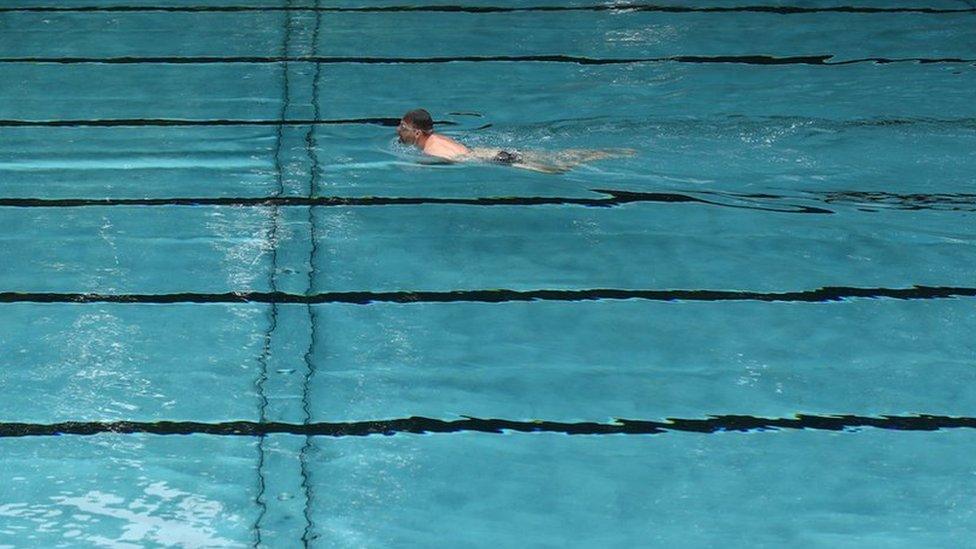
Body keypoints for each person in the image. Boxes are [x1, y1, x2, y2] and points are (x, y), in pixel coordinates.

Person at [396, 108, 633, 174]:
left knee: (557, 169)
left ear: (417, 132)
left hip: (496, 160)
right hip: (492, 152)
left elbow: (455, 161)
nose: (399, 129)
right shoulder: (437, 138)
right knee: (560, 160)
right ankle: (603, 152)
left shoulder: (432, 150)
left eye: (403, 126)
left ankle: (606, 154)